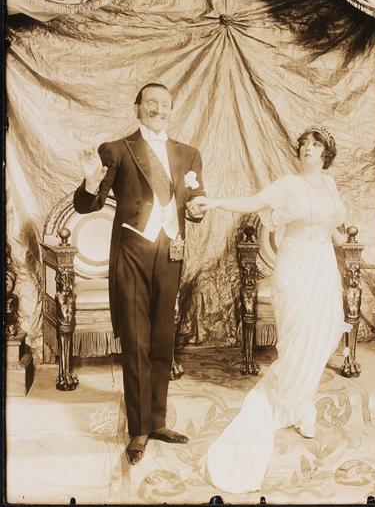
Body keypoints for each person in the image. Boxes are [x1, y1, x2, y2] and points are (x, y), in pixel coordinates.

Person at [194, 125, 348, 493]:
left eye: (316, 144)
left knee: (321, 334)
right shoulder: (288, 185)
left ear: (326, 153)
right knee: (296, 338)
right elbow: (253, 202)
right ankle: (297, 404)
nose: (308, 148)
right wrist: (214, 203)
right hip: (295, 267)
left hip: (323, 266)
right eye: (305, 144)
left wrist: (343, 240)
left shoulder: (330, 184)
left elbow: (331, 225)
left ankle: (301, 401)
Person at [73, 82, 205, 465]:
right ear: (137, 108)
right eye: (151, 103)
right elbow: (85, 206)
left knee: (163, 340)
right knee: (135, 342)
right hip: (131, 254)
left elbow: (196, 202)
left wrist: (197, 208)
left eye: (165, 104)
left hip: (171, 254)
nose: (158, 109)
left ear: (172, 110)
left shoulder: (188, 154)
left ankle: (158, 421)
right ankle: (139, 430)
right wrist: (91, 181)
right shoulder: (116, 150)